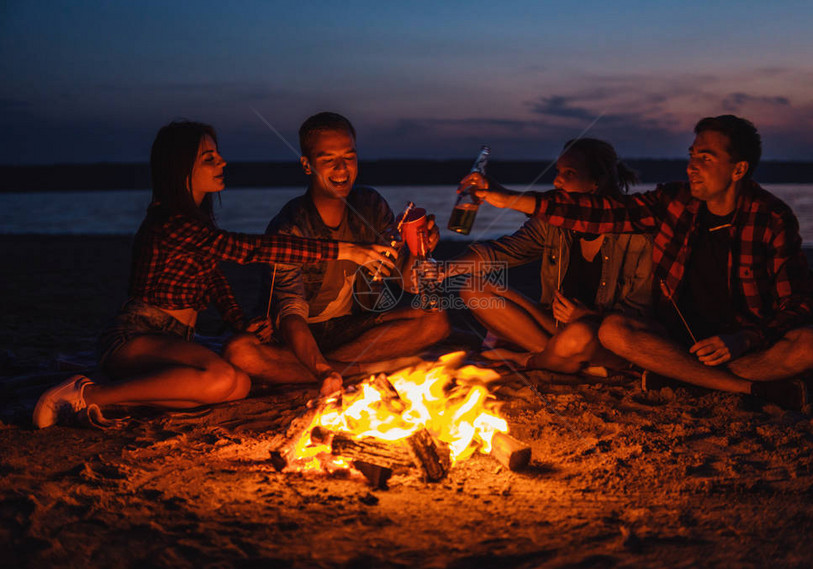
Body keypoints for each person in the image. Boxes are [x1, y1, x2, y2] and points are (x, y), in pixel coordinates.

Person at [33, 121, 392, 428]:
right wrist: (345, 250)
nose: (222, 162)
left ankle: (125, 399)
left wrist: (240, 323)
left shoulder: (196, 221)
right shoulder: (170, 222)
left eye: (217, 155)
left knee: (238, 385)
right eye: (209, 158)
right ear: (182, 168)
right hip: (136, 335)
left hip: (178, 340)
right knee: (221, 377)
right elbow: (248, 249)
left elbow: (215, 280)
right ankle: (86, 394)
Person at [467, 115, 813, 410]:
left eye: (705, 159)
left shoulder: (771, 217)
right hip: (673, 343)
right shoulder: (672, 202)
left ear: (738, 170)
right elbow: (603, 212)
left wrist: (746, 337)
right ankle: (744, 387)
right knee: (614, 331)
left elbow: (801, 303)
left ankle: (684, 377)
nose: (692, 166)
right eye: (692, 155)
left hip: (744, 346)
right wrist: (508, 198)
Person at [224, 112, 449, 391]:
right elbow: (291, 315)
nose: (342, 168)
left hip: (350, 327)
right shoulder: (290, 227)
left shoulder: (370, 204)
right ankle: (364, 369)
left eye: (349, 157)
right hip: (297, 334)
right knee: (241, 353)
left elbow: (406, 281)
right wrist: (320, 368)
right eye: (328, 159)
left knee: (435, 320)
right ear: (307, 165)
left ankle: (328, 370)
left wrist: (420, 247)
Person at [453, 138, 652, 375]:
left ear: (596, 182)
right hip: (554, 327)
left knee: (580, 335)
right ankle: (561, 358)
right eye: (558, 171)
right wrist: (444, 269)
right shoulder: (554, 223)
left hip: (601, 335)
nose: (557, 180)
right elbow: (501, 252)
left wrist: (588, 316)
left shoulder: (637, 235)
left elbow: (640, 316)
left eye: (569, 173)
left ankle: (533, 360)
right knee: (472, 288)